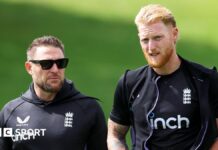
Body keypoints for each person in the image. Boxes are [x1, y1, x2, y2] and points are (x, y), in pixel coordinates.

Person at [107, 4, 218, 150]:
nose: (151, 47)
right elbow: (115, 134)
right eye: (145, 40)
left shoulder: (206, 80)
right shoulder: (130, 83)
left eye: (157, 38)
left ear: (175, 34)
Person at [0, 35, 107, 150]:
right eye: (46, 64)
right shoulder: (10, 112)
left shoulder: (88, 109)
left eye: (60, 63)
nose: (55, 70)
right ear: (29, 67)